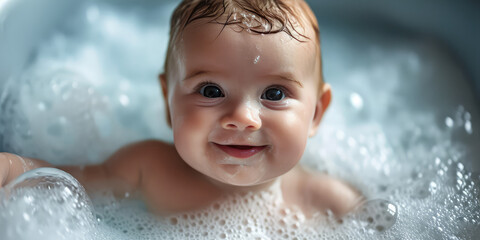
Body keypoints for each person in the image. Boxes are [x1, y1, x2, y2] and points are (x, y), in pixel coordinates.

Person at [0, 0, 361, 217]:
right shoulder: (148, 169)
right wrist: (12, 167)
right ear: (168, 101)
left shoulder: (326, 200)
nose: (242, 117)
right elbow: (64, 182)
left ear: (315, 113)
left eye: (275, 94)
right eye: (210, 90)